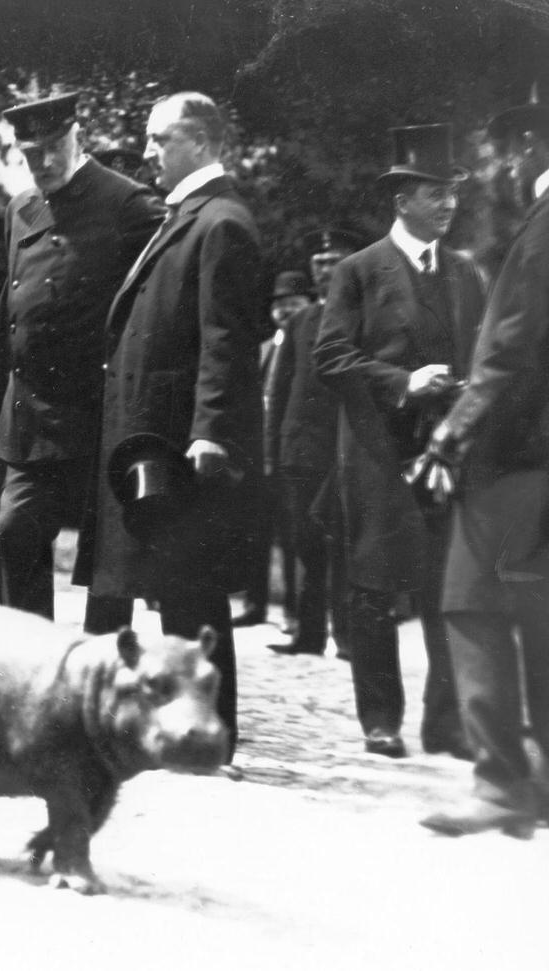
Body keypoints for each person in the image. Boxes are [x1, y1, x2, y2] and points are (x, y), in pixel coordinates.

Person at [90, 92, 266, 759]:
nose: (145, 152)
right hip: (151, 432)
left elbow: (228, 337)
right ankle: (179, 729)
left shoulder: (220, 221)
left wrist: (213, 429)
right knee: (173, 585)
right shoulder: (187, 216)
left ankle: (213, 736)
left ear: (197, 141)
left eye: (158, 139)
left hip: (179, 439)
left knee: (191, 589)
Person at [313, 123, 485, 759]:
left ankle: (448, 723)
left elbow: (485, 355)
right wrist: (405, 381)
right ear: (402, 200)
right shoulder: (360, 271)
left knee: (450, 589)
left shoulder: (466, 274)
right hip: (378, 454)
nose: (449, 205)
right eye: (437, 194)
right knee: (374, 587)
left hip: (446, 454)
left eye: (454, 194)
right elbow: (329, 356)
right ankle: (380, 720)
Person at [0, 92, 165, 627]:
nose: (43, 162)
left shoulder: (127, 203)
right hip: (35, 409)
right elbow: (10, 306)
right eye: (30, 153)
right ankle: (34, 662)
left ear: (76, 135)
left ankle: (102, 672)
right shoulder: (22, 208)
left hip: (104, 409)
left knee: (110, 557)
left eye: (53, 148)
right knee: (14, 530)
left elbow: (158, 297)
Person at [420, 94, 549, 836]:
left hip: (515, 454)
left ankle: (501, 784)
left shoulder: (541, 229)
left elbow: (513, 343)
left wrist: (452, 431)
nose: (496, 171)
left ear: (529, 147)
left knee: (471, 602)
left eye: (501, 153)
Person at [268, 230, 361, 657]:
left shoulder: (364, 319)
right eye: (319, 261)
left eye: (333, 260)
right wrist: (272, 454)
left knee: (343, 543)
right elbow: (280, 390)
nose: (324, 269)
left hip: (343, 451)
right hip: (299, 453)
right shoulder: (299, 323)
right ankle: (308, 635)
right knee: (305, 543)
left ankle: (345, 635)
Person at [235, 270, 315, 629]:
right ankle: (255, 606)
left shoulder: (310, 345)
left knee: (292, 537)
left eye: (293, 304)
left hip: (290, 456)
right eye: (279, 305)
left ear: (309, 305)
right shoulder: (263, 349)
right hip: (257, 456)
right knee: (255, 533)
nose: (284, 311)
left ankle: (294, 614)